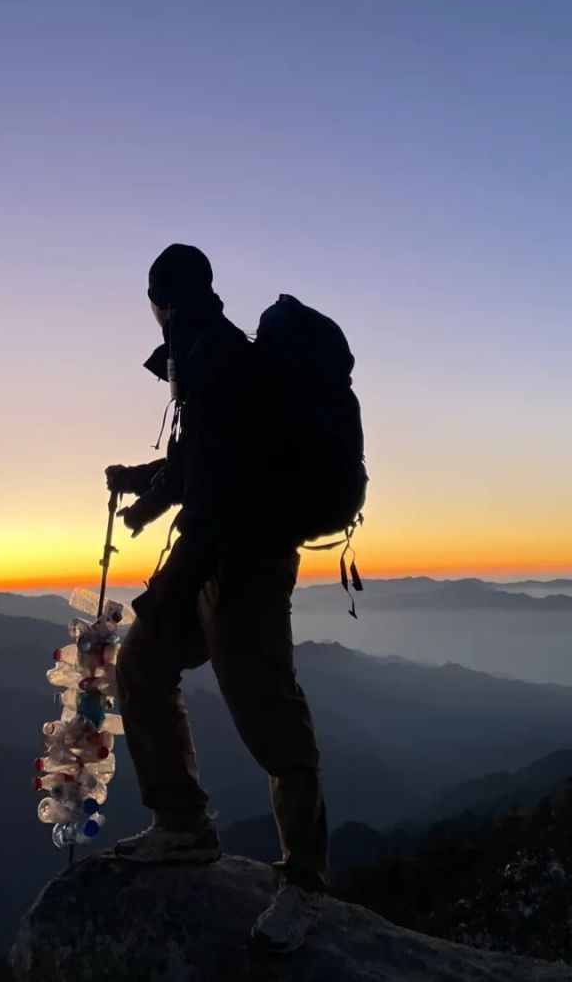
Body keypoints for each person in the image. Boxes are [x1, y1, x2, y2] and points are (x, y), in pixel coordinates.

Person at [107, 243, 328, 955]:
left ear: (160, 299)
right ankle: (183, 826)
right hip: (210, 558)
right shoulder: (203, 355)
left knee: (271, 720)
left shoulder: (221, 363)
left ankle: (305, 882)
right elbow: (196, 465)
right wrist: (141, 487)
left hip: (245, 570)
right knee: (140, 667)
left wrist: (169, 563)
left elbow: (218, 485)